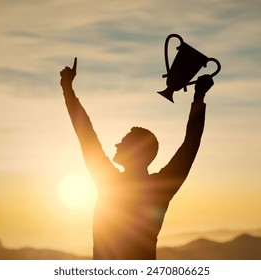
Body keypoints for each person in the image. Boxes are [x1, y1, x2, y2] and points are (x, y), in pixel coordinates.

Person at [60, 57, 214, 260]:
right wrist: (199, 97)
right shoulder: (160, 187)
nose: (116, 145)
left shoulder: (109, 181)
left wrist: (68, 90)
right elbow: (190, 145)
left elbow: (85, 133)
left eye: (124, 142)